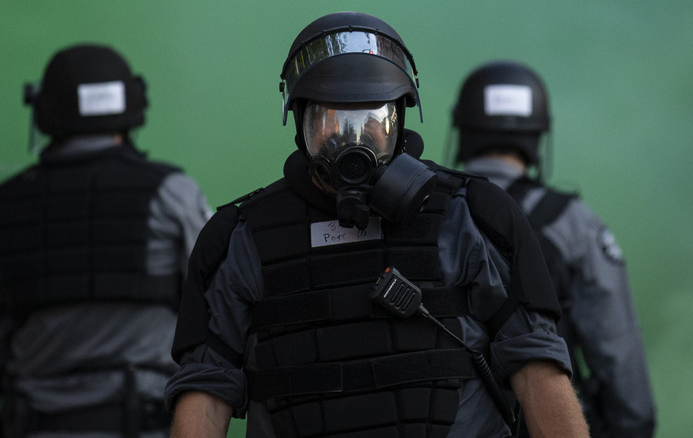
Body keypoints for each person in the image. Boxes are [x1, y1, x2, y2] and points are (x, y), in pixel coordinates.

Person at [164, 12, 590, 438]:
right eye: (330, 123)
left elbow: (537, 367)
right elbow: (204, 389)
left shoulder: (475, 216)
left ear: (400, 121)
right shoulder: (237, 240)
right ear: (300, 124)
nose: (353, 143)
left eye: (372, 124)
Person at [0, 43, 211, 438]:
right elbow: (218, 306)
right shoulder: (173, 194)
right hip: (146, 425)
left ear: (45, 111)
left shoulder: (0, 210)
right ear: (132, 109)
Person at [448, 60, 655, 437]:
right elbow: (621, 367)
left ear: (463, 128)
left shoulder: (429, 214)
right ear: (538, 134)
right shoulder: (574, 224)